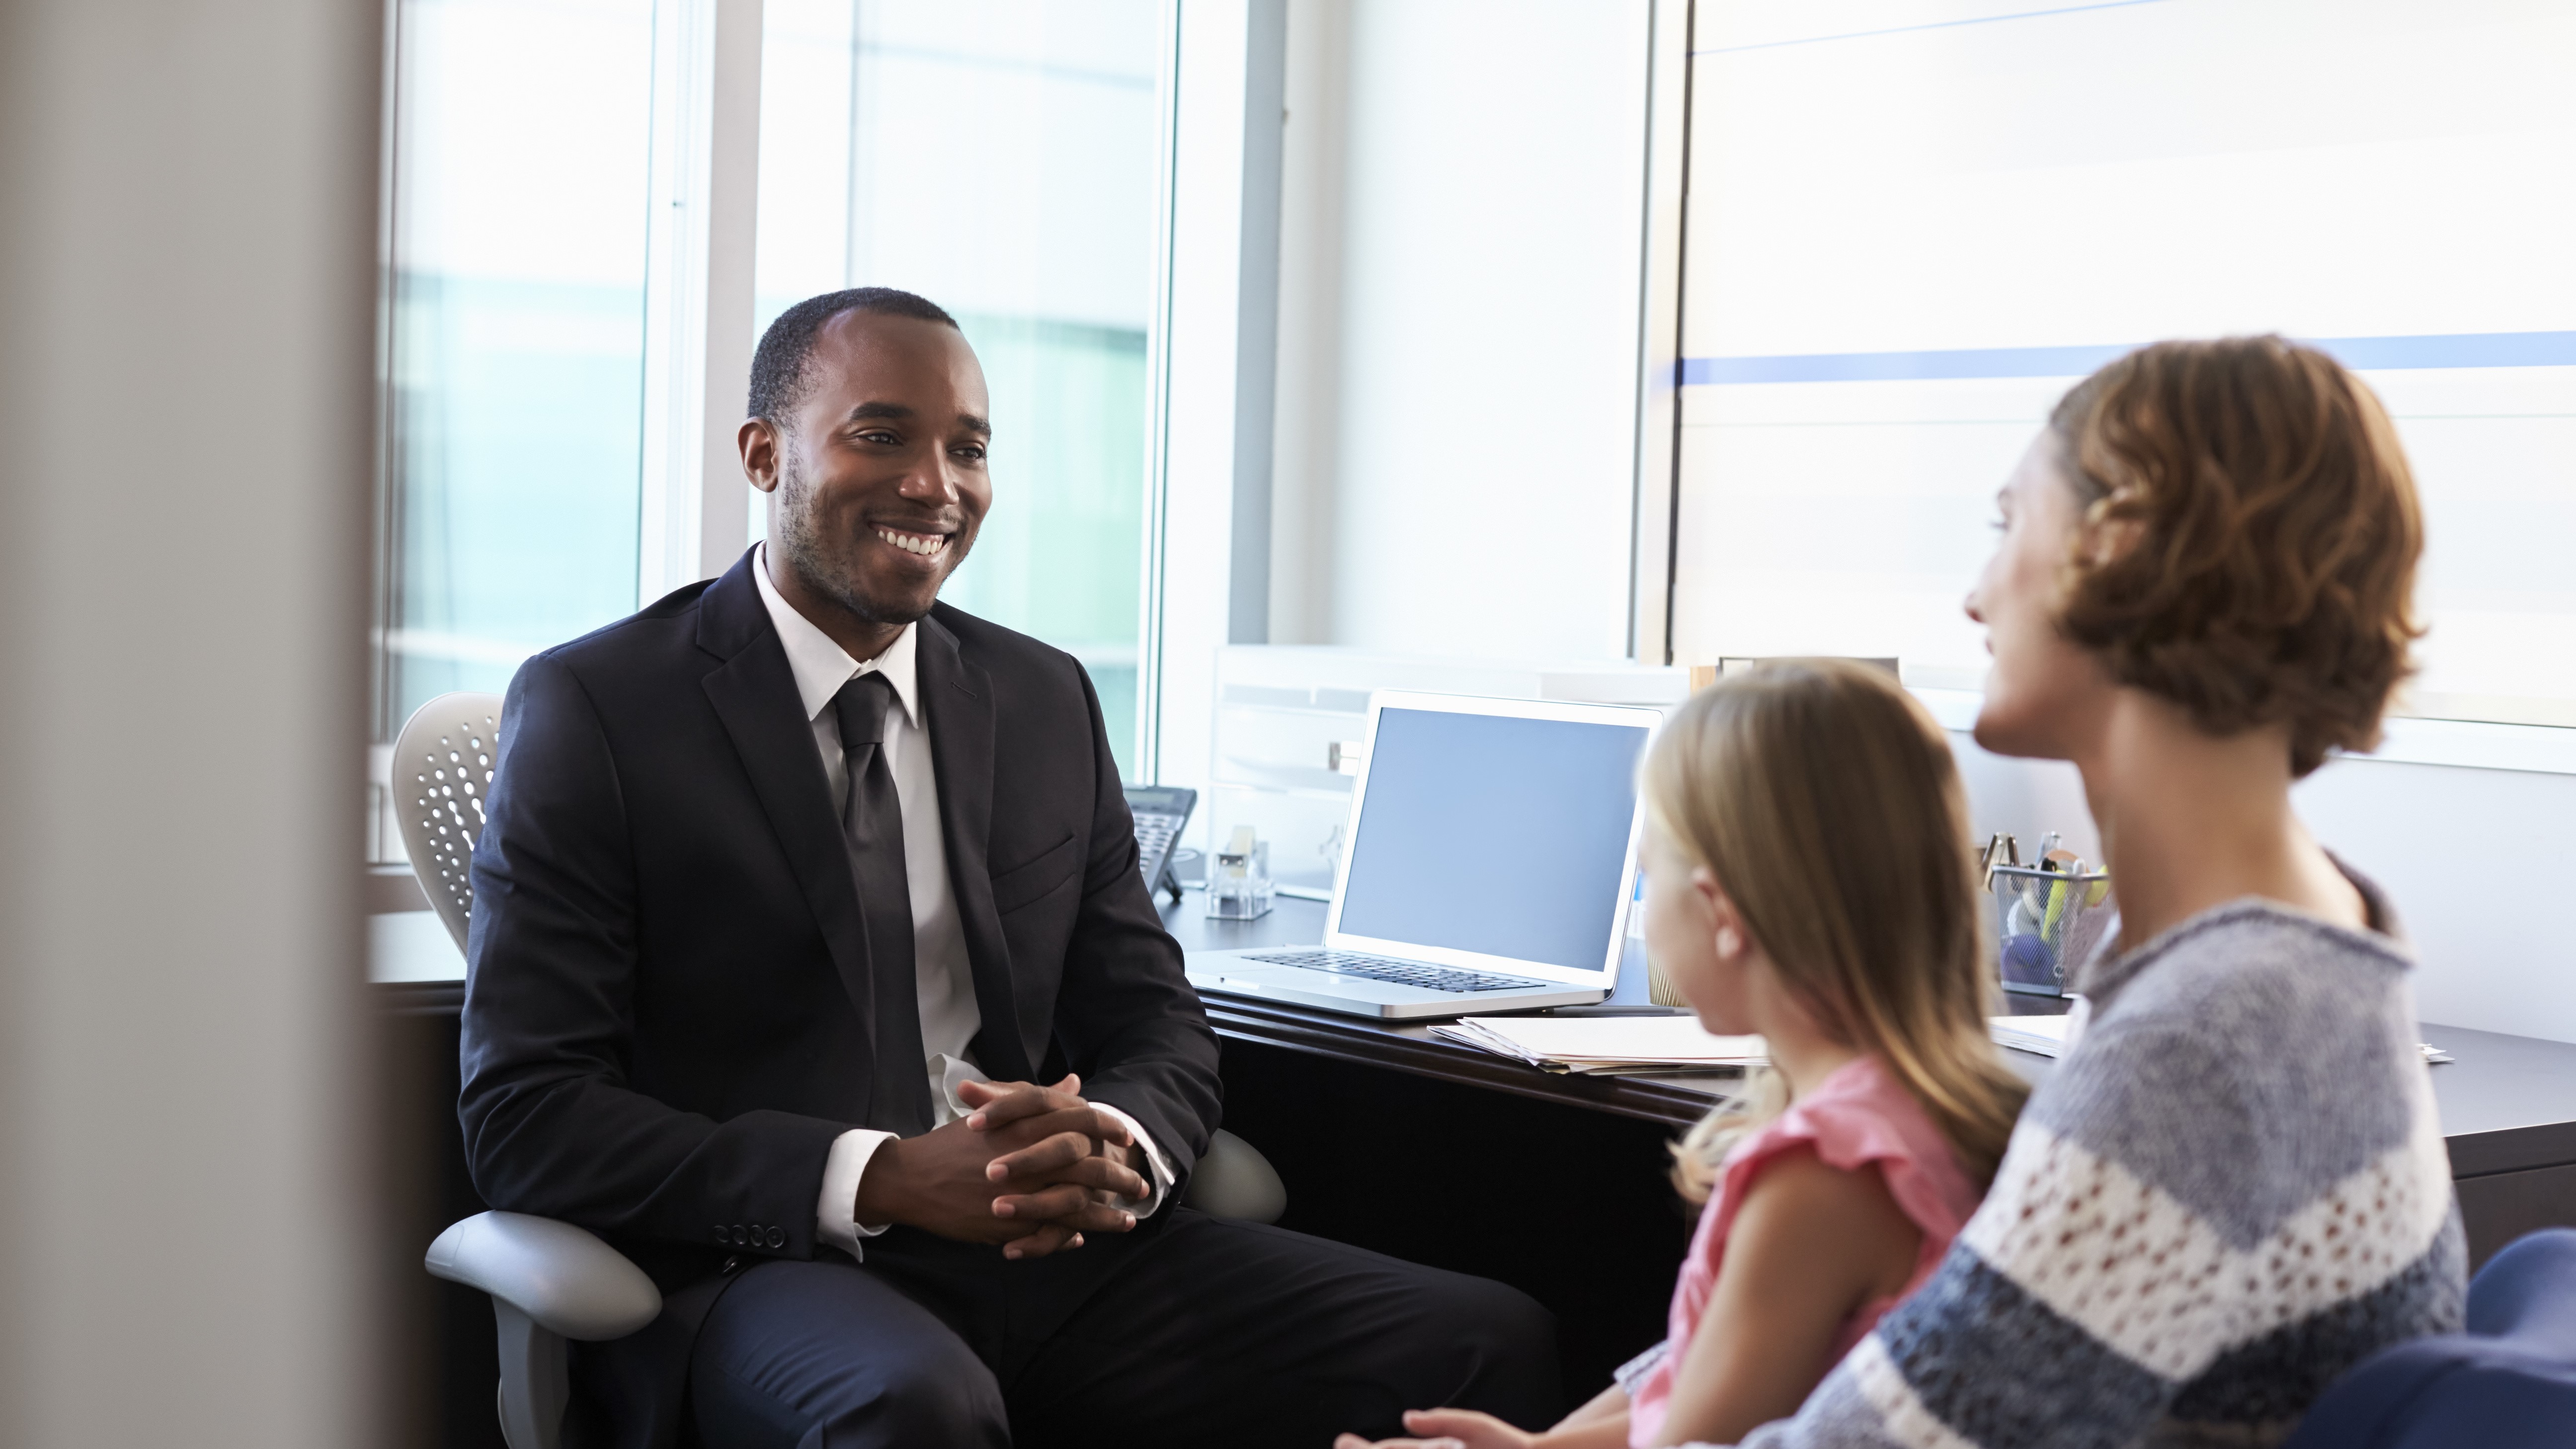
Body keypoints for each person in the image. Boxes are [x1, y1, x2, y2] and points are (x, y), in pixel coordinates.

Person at [457, 286, 1558, 1449]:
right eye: (882, 435)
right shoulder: (603, 709)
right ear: (764, 454)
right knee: (915, 1404)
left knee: (1484, 1342)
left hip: (1055, 1256)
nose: (937, 484)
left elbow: (1157, 1024)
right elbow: (529, 1114)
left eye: (968, 448)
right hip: (772, 1264)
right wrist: (877, 1178)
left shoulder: (1042, 697)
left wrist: (1115, 1143)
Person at [1348, 335, 2466, 1449]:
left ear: (2117, 553)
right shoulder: (2285, 954)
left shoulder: (2212, 1038)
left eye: (2007, 524)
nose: (1976, 595)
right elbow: (1932, 1339)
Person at [1337, 661, 2029, 1449]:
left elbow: (1691, 1439)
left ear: (1720, 913)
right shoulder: (1913, 1111)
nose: (1643, 895)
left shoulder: (1821, 1172)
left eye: (1646, 874)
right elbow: (1698, 1386)